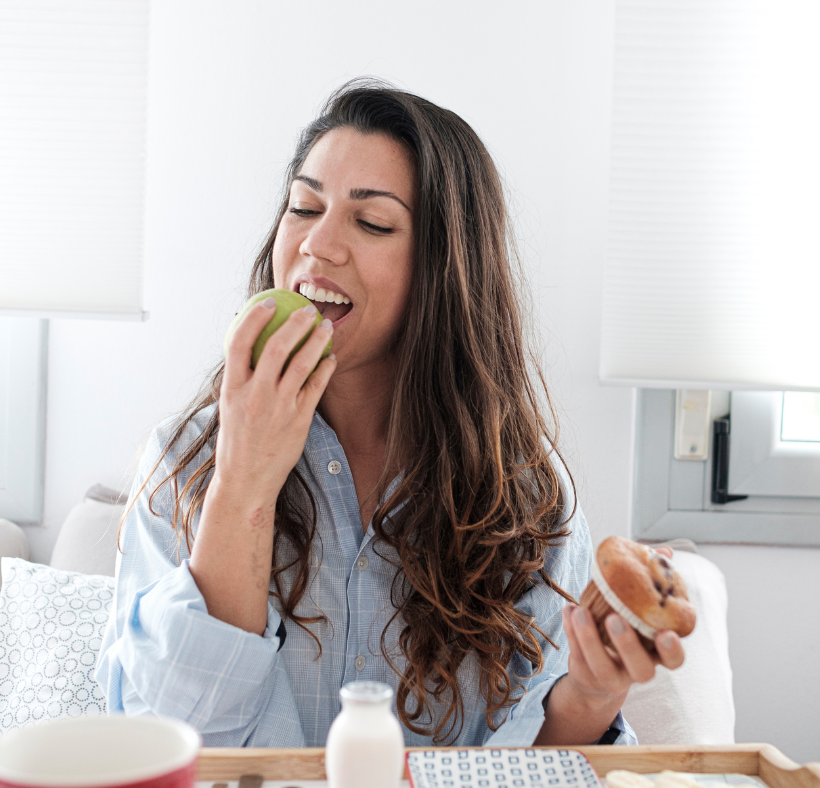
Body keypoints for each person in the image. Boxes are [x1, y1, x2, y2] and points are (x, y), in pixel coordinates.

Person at [95, 81, 684, 748]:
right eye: (303, 206)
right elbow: (171, 746)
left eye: (371, 222)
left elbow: (526, 766)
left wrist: (595, 692)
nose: (318, 245)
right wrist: (243, 486)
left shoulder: (524, 494)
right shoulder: (186, 460)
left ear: (444, 268)